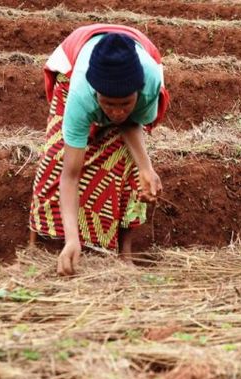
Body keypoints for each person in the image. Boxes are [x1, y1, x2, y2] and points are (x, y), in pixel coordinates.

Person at [29, 24, 169, 276]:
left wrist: (146, 167)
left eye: (125, 103)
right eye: (107, 103)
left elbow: (130, 123)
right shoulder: (80, 94)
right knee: (55, 160)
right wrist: (73, 239)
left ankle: (124, 253)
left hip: (139, 65)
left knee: (126, 162)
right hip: (73, 65)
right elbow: (70, 175)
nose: (116, 112)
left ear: (137, 93)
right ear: (95, 94)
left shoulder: (149, 85)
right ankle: (40, 246)